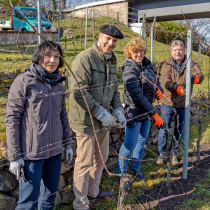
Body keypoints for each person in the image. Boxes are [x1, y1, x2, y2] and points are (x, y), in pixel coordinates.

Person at [5, 41, 73, 210]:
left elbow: (63, 115)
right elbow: (11, 119)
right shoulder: (24, 82)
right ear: (38, 57)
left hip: (55, 152)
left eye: (56, 56)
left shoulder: (58, 82)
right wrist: (15, 156)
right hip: (31, 154)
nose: (52, 60)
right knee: (28, 202)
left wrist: (68, 144)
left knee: (49, 199)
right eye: (48, 56)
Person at [68, 24, 126, 210]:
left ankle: (93, 193)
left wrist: (118, 110)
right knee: (84, 163)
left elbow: (114, 91)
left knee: (101, 159)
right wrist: (101, 113)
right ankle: (80, 203)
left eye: (114, 41)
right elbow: (79, 91)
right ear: (99, 36)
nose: (110, 43)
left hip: (105, 120)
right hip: (86, 121)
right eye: (107, 39)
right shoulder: (85, 58)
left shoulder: (111, 60)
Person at [117, 38, 163, 185]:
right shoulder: (129, 69)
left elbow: (156, 80)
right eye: (135, 51)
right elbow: (136, 95)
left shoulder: (147, 66)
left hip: (146, 110)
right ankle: (122, 176)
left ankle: (136, 169)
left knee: (141, 141)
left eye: (141, 50)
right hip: (134, 110)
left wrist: (158, 90)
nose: (139, 54)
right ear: (130, 53)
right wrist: (154, 113)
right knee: (129, 144)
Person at [157, 40, 204, 166]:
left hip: (184, 103)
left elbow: (200, 74)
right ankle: (162, 154)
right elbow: (165, 80)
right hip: (168, 102)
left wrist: (197, 78)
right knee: (164, 129)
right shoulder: (167, 64)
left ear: (184, 51)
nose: (177, 52)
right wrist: (176, 87)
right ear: (171, 51)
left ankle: (174, 154)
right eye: (175, 50)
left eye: (180, 50)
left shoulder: (190, 63)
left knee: (179, 129)